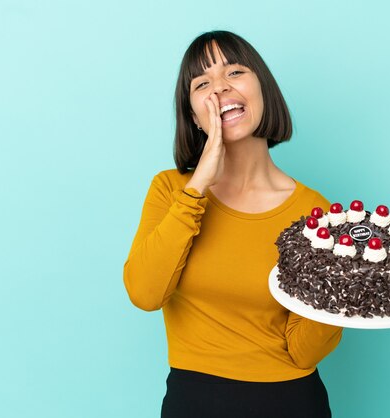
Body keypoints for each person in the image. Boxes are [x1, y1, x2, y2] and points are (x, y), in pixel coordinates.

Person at [123, 30, 343, 418]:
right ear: (193, 116)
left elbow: (304, 351)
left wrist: (340, 292)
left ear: (263, 90)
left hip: (292, 401)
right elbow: (144, 293)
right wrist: (198, 185)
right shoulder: (171, 190)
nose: (220, 89)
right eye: (203, 83)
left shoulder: (317, 216)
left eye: (235, 72)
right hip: (193, 400)